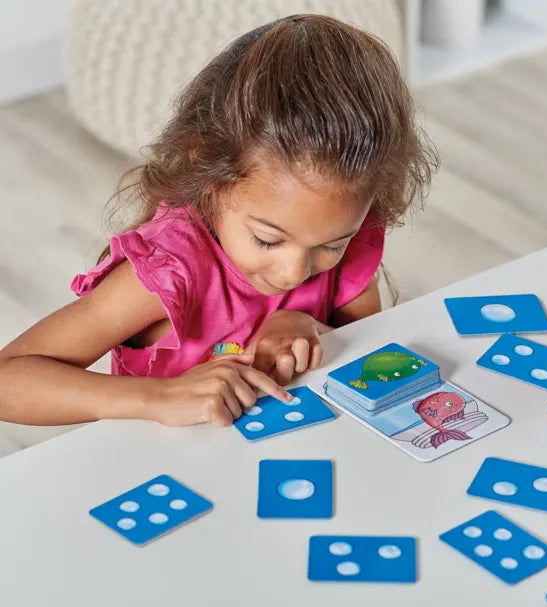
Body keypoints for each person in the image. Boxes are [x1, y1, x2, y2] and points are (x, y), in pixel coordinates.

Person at [0, 14, 437, 428]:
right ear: (207, 172)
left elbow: (368, 354)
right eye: (267, 239)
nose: (294, 273)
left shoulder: (350, 233)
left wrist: (310, 328)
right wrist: (157, 398)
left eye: (331, 245)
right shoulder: (168, 274)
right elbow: (8, 378)